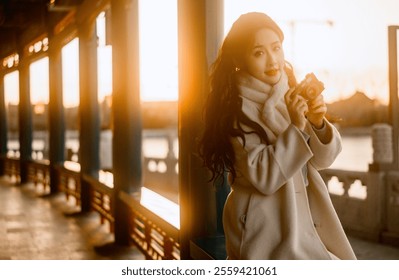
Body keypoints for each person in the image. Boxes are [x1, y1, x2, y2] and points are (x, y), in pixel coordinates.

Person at [199, 12, 356, 260]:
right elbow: (264, 176)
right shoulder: (234, 109)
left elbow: (322, 161)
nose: (272, 60)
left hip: (305, 217)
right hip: (262, 227)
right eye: (259, 53)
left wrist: (317, 123)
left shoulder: (290, 94)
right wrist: (295, 126)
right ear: (241, 58)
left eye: (276, 48)